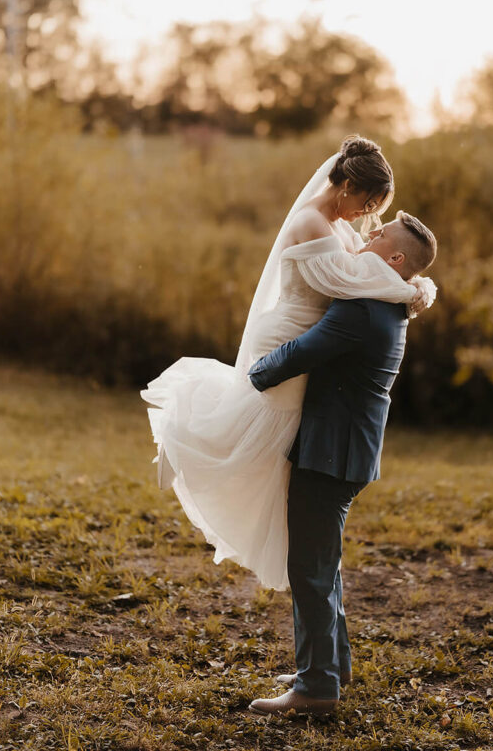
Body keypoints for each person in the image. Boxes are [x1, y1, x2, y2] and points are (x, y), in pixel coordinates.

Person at [141, 136, 436, 590]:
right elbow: (351, 280)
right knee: (254, 433)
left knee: (275, 451)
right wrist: (412, 289)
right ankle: (186, 445)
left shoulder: (339, 227)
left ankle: (309, 556)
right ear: (348, 187)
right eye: (368, 202)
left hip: (305, 346)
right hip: (284, 340)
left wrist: (410, 282)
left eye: (376, 208)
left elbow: (372, 265)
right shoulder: (311, 223)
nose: (368, 215)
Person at [247, 210, 437, 717]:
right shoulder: (388, 302)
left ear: (395, 259)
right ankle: (331, 667)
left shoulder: (364, 308)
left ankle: (316, 690)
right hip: (348, 450)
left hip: (331, 453)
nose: (369, 233)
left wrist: (250, 375)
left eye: (380, 236)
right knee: (321, 565)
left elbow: (302, 352)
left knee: (309, 567)